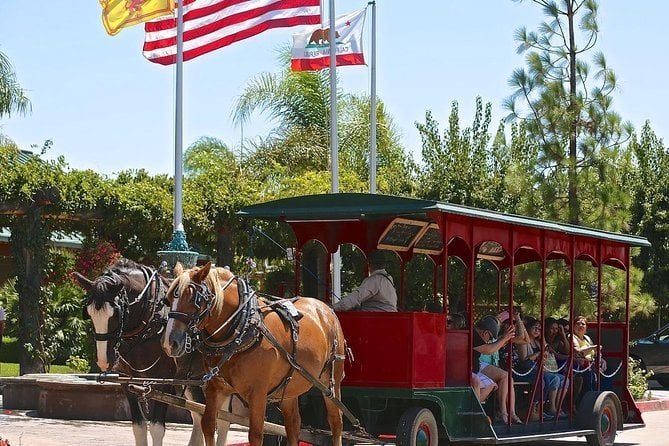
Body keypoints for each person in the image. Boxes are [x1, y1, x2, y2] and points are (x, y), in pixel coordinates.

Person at [472, 314, 522, 424]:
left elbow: (523, 338)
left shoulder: (477, 335)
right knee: (485, 384)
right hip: (468, 366)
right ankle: (477, 415)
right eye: (489, 338)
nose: (488, 340)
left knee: (506, 376)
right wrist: (504, 338)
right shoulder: (473, 335)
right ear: (485, 333)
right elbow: (488, 350)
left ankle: (507, 412)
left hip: (476, 364)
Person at [518, 318, 568, 419]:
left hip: (540, 368)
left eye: (539, 329)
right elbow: (524, 360)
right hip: (527, 369)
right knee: (549, 379)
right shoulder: (523, 342)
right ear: (528, 329)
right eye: (534, 328)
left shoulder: (538, 342)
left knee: (564, 379)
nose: (537, 330)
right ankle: (537, 408)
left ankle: (555, 407)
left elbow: (546, 350)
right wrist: (537, 354)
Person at [333, 250, 398, 312]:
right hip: (390, 318)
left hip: (377, 319)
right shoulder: (388, 278)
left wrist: (334, 307)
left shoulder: (374, 280)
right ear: (384, 265)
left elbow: (356, 297)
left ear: (369, 265)